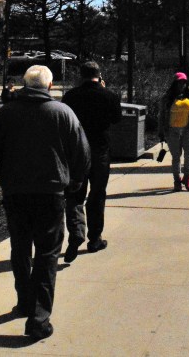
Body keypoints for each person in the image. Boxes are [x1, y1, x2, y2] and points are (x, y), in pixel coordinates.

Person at [0, 65, 90, 341]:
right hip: (50, 195)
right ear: (49, 87)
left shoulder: (7, 113)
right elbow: (82, 153)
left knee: (20, 248)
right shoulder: (63, 113)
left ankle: (25, 301)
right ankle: (38, 318)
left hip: (15, 193)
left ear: (25, 85)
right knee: (47, 254)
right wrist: (75, 183)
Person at [62, 61, 122, 263]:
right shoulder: (109, 96)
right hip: (100, 152)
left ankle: (76, 232)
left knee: (75, 195)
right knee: (97, 195)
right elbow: (117, 119)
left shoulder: (70, 97)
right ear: (99, 75)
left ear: (81, 76)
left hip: (76, 152)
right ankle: (95, 238)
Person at [158, 72, 189, 192]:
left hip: (187, 130)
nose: (182, 85)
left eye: (184, 83)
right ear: (175, 84)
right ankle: (177, 180)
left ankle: (187, 178)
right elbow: (161, 116)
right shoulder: (167, 98)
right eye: (180, 83)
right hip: (172, 131)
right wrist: (161, 132)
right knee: (176, 156)